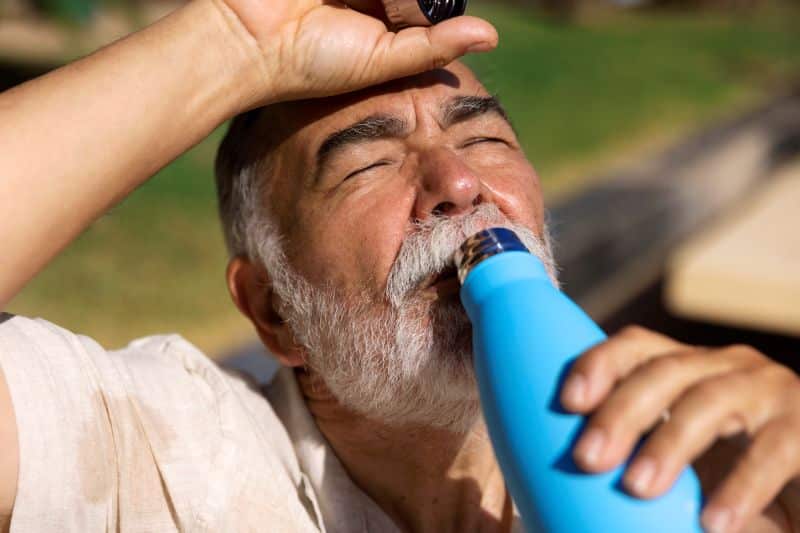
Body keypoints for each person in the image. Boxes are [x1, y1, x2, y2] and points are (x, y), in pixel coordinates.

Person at [0, 1, 798, 531]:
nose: (457, 184)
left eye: (483, 139)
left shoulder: (699, 466)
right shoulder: (158, 452)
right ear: (273, 310)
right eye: (367, 166)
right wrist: (234, 42)